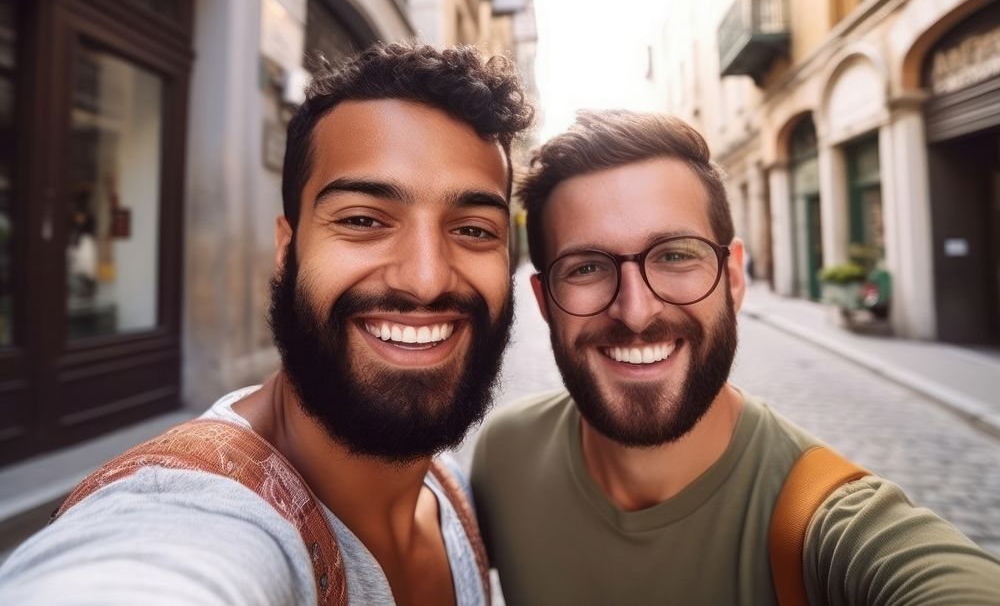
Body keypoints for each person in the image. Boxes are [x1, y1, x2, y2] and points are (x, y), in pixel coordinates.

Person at [0, 43, 532, 605]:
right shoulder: (188, 512)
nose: (426, 280)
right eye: (362, 220)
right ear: (287, 250)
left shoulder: (450, 487)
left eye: (473, 229)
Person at [470, 110, 1000, 604]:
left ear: (735, 277)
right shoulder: (505, 453)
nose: (635, 311)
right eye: (586, 267)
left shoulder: (828, 521)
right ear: (544, 302)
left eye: (676, 255)